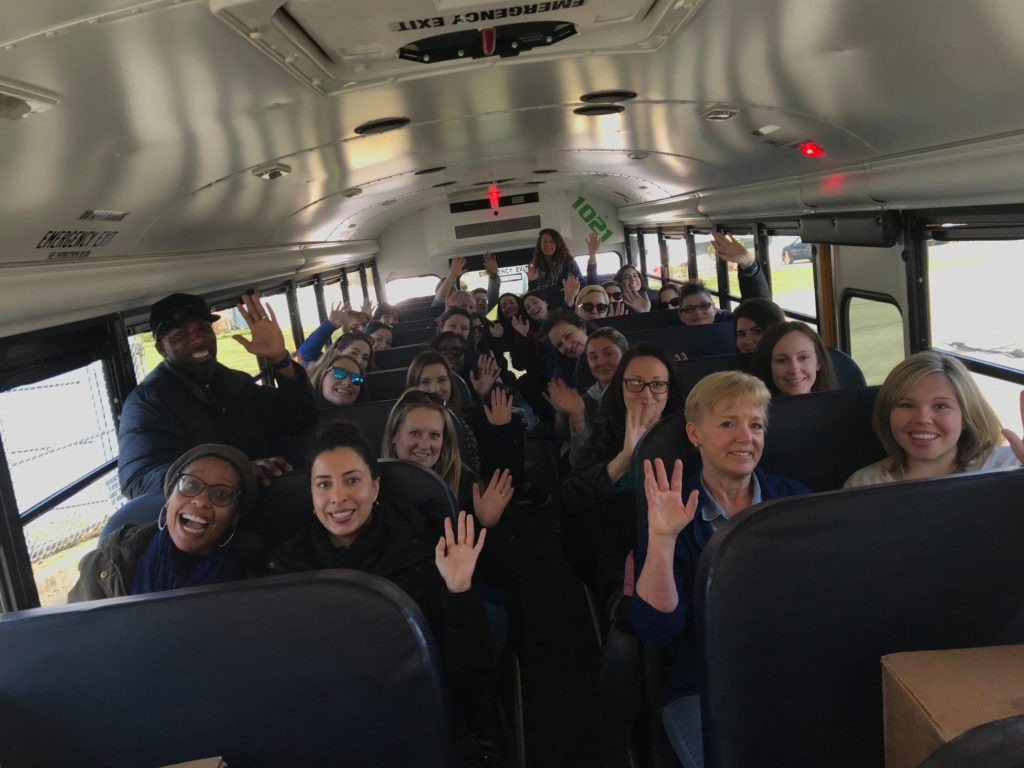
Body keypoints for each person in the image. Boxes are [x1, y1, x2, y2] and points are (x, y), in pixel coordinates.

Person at [264, 421, 494, 764]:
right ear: (312, 496)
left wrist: (459, 589)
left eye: (352, 481)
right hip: (326, 723)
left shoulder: (425, 547)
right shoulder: (287, 566)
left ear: (375, 487)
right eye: (323, 485)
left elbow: (465, 672)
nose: (338, 497)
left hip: (411, 712)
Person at [631, 371, 810, 768]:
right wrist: (662, 539)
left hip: (791, 672)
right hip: (704, 684)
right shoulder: (671, 510)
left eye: (756, 425)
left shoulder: (795, 501)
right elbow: (657, 631)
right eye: (728, 423)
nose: (746, 437)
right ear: (695, 434)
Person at [117, 292, 316, 498]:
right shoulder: (148, 403)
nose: (197, 339)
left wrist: (280, 360)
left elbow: (300, 419)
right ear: (161, 348)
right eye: (180, 335)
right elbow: (138, 480)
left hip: (267, 498)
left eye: (203, 328)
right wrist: (230, 473)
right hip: (208, 520)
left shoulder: (236, 383)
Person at [563, 343, 685, 617]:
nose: (646, 394)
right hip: (621, 552)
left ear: (669, 389)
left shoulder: (690, 434)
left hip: (683, 547)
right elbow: (573, 496)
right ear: (621, 387)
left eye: (657, 384)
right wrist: (623, 460)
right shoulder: (606, 431)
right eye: (635, 383)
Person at [71, 444, 260, 600]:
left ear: (234, 517)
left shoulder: (257, 579)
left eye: (222, 494)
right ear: (170, 497)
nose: (201, 501)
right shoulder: (107, 562)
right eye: (191, 484)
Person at [845, 351, 1024, 486]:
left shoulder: (1009, 466)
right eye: (907, 405)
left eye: (941, 406)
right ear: (887, 414)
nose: (923, 419)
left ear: (966, 416)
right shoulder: (865, 484)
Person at [545, 327, 628, 466]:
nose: (601, 362)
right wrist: (576, 416)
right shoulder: (582, 401)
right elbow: (579, 463)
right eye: (593, 357)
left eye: (608, 353)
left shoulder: (643, 389)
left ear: (625, 355)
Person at [675, 233, 771, 326]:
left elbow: (757, 307)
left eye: (704, 305)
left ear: (714, 308)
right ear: (681, 315)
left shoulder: (732, 326)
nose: (697, 312)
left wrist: (747, 263)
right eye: (689, 309)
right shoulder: (670, 338)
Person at [750, 321, 838, 396]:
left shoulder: (841, 407)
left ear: (818, 362)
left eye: (803, 358)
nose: (794, 370)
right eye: (782, 360)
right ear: (768, 365)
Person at [527, 229, 599, 305]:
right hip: (546, 308)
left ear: (557, 244)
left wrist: (592, 257)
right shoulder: (536, 265)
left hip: (567, 305)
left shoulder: (568, 261)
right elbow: (532, 296)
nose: (548, 245)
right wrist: (532, 281)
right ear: (540, 244)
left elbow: (583, 285)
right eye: (545, 242)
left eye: (551, 242)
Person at [541, 309, 591, 386]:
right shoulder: (562, 376)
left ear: (582, 327)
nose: (567, 346)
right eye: (559, 345)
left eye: (568, 336)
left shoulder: (613, 343)